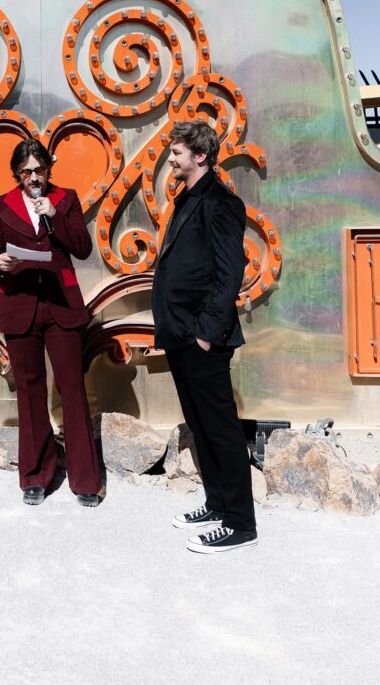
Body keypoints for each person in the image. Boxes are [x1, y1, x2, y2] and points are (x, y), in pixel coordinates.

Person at [152, 120, 257, 553]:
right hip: (181, 332)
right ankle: (217, 503)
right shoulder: (187, 198)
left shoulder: (220, 201)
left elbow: (229, 272)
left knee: (221, 430)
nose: (170, 159)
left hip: (201, 336)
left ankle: (240, 525)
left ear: (199, 156)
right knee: (200, 425)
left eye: (177, 153)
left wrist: (206, 335)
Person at [0, 140, 101, 507]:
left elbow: (82, 247)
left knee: (72, 389)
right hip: (19, 305)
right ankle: (35, 476)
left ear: (49, 169)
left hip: (60, 306)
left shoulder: (66, 199)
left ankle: (85, 480)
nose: (34, 178)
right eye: (27, 172)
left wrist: (54, 215)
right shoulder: (3, 205)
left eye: (40, 170)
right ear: (17, 174)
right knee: (30, 392)